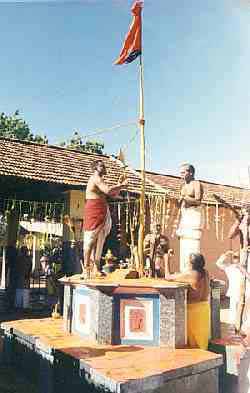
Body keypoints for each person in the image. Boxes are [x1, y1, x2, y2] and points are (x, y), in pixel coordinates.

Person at [83, 160, 127, 278]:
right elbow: (108, 190)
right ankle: (86, 269)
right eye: (102, 165)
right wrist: (121, 185)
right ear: (95, 168)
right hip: (94, 210)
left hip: (101, 210)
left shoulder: (99, 179)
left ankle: (95, 267)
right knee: (91, 240)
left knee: (100, 238)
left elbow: (112, 194)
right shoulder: (96, 178)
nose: (104, 167)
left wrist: (119, 185)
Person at [165, 253, 210, 350]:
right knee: (202, 340)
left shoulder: (190, 274)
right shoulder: (205, 272)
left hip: (193, 310)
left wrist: (166, 260)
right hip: (205, 307)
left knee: (194, 342)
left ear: (191, 264)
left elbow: (168, 277)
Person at [177, 163, 204, 272]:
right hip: (185, 216)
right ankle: (184, 270)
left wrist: (185, 197)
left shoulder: (196, 184)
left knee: (193, 247)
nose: (181, 175)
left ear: (191, 172)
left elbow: (198, 201)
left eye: (183, 172)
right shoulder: (182, 186)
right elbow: (181, 204)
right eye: (180, 172)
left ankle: (193, 271)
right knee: (184, 246)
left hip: (194, 215)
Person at [228, 204, 250, 334]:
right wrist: (239, 221)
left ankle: (244, 326)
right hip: (244, 257)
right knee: (240, 295)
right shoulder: (241, 224)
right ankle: (238, 326)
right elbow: (230, 235)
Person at [216, 250, 242, 331]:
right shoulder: (230, 267)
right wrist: (226, 254)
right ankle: (233, 326)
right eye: (234, 257)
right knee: (233, 309)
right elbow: (218, 263)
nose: (236, 259)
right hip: (234, 291)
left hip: (246, 292)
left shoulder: (245, 267)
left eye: (238, 257)